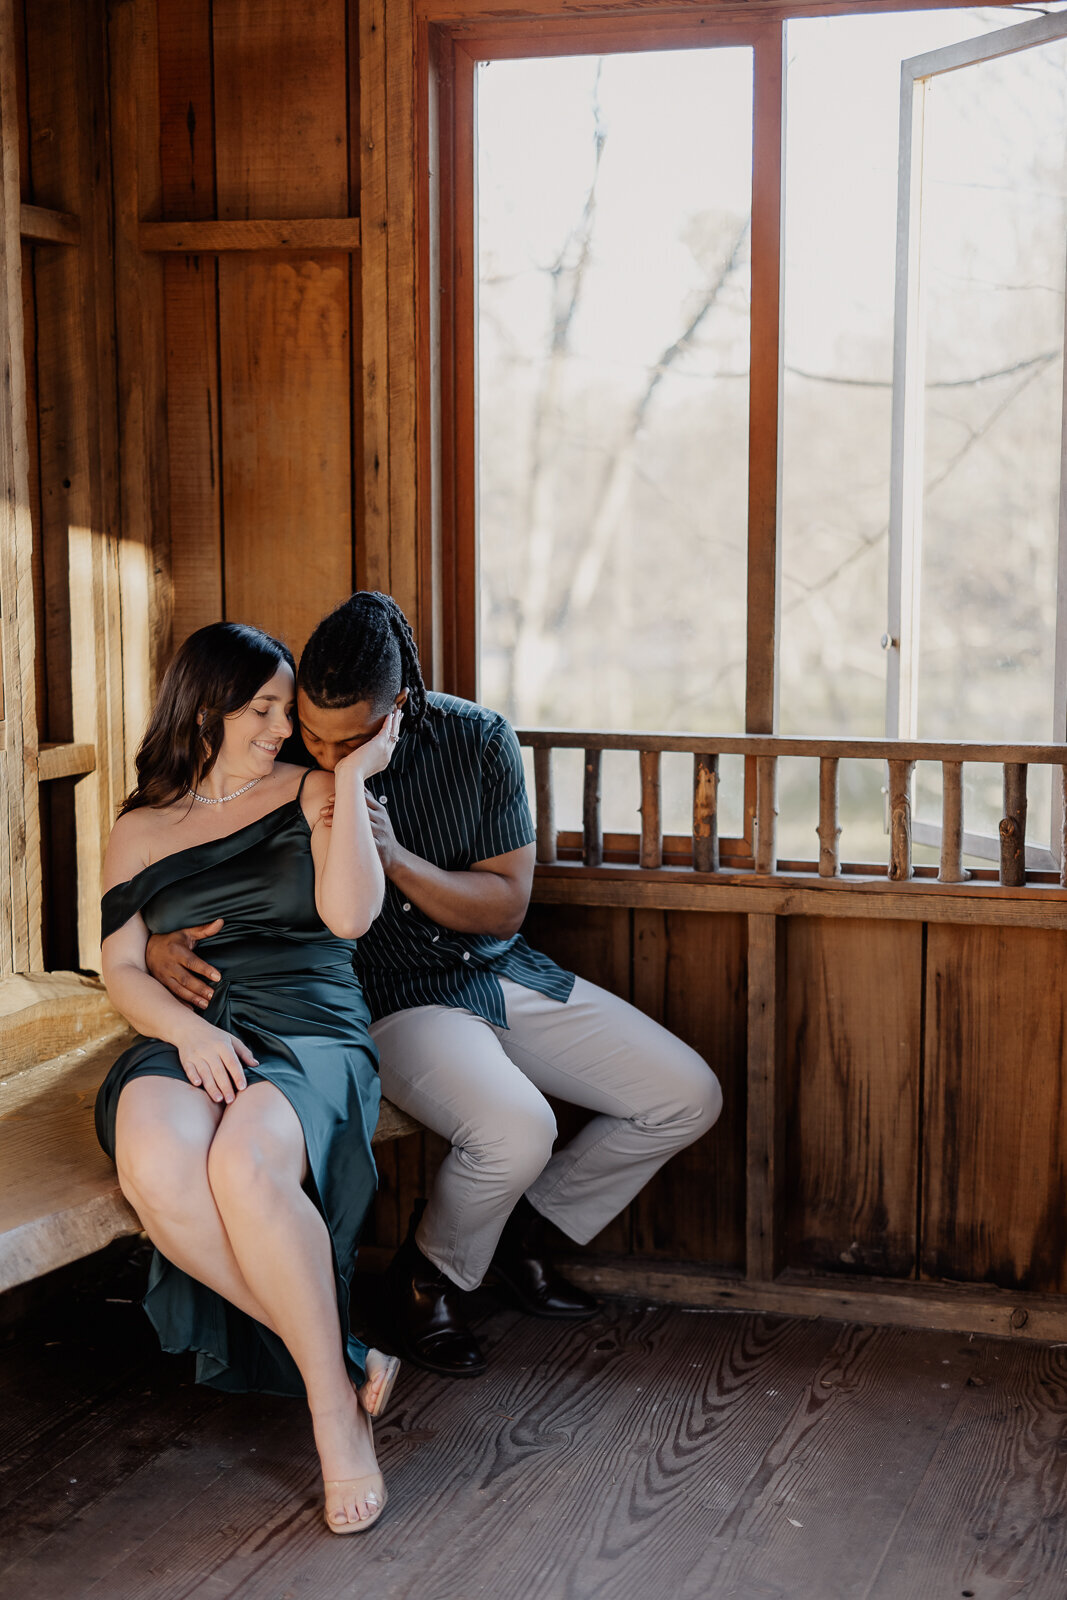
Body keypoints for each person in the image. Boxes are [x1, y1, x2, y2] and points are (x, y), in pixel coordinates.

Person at [146, 594, 723, 1380]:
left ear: (401, 707)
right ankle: (424, 1284)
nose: (318, 748)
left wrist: (397, 860)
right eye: (309, 729)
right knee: (517, 1130)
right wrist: (153, 944)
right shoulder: (277, 750)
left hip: (493, 967)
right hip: (382, 996)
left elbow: (503, 906)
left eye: (347, 739)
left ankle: (513, 1237)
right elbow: (203, 864)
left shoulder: (477, 738)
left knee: (686, 1095)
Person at [95, 621, 402, 1535]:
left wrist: (347, 781)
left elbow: (349, 918)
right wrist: (185, 1034)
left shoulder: (312, 787)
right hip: (195, 1026)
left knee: (243, 1167)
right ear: (206, 707)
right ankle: (342, 1359)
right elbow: (119, 969)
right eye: (262, 708)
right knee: (154, 1157)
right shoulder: (140, 827)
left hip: (310, 1021)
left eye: (284, 706)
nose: (282, 726)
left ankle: (335, 1423)